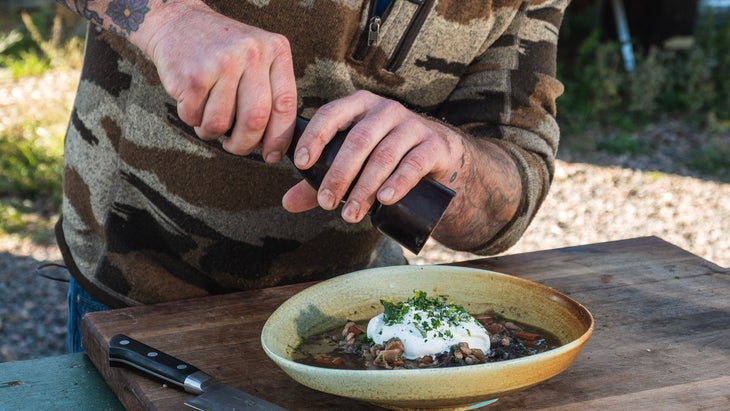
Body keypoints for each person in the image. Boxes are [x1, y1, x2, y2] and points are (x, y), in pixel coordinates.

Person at [55, 0, 570, 352]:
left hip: (353, 323)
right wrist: (170, 19)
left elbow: (513, 182)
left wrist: (454, 157)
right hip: (138, 298)